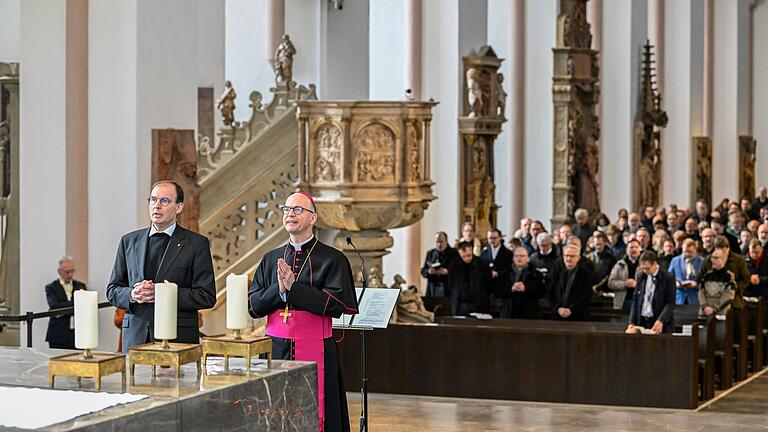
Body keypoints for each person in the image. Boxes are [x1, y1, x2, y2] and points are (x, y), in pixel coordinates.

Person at [248, 192, 358, 432]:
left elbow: (338, 304)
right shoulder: (270, 259)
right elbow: (253, 306)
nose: (290, 214)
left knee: (320, 413)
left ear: (313, 218)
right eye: (287, 209)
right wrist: (279, 289)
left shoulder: (333, 259)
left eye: (298, 210)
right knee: (273, 411)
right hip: (275, 348)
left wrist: (295, 289)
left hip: (316, 346)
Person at [106, 181, 216, 351]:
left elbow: (206, 295)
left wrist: (163, 293)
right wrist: (132, 294)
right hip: (136, 337)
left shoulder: (196, 244)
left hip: (177, 337)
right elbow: (112, 290)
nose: (157, 206)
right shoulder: (128, 241)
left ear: (178, 207)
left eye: (164, 201)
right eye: (153, 200)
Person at [627, 251, 676, 334]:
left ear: (655, 264)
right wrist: (631, 322)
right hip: (642, 321)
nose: (645, 271)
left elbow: (670, 303)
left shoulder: (668, 277)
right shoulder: (641, 276)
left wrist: (661, 320)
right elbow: (635, 300)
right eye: (643, 268)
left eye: (648, 268)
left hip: (659, 320)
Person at [45, 256, 87, 349]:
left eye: (72, 271)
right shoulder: (51, 287)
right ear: (59, 271)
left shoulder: (80, 285)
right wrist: (74, 304)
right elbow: (55, 307)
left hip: (77, 333)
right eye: (67, 272)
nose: (70, 274)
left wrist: (64, 310)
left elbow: (83, 307)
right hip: (58, 334)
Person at [698, 236, 750, 312]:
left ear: (728, 248)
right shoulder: (708, 260)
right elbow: (700, 277)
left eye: (723, 249)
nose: (720, 252)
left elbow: (745, 279)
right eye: (717, 249)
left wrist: (733, 289)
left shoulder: (738, 260)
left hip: (733, 299)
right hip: (710, 298)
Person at [493, 247, 546, 319]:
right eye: (516, 256)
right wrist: (511, 288)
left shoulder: (536, 274)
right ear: (513, 258)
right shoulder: (505, 273)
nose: (519, 258)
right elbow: (497, 291)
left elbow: (542, 291)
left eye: (522, 256)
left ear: (528, 258)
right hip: (509, 312)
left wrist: (526, 288)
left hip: (530, 313)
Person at [549, 244, 593, 321]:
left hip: (578, 316)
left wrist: (571, 309)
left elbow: (586, 296)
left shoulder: (585, 273)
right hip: (557, 315)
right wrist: (558, 308)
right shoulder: (556, 271)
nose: (569, 259)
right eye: (567, 256)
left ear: (578, 258)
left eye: (572, 256)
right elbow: (550, 293)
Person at [449, 241, 492, 316]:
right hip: (459, 304)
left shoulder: (483, 264)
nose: (467, 258)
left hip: (479, 304)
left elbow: (488, 284)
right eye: (463, 256)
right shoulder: (454, 265)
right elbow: (451, 284)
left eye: (469, 255)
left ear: (471, 250)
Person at [697, 247, 737, 317]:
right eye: (712, 257)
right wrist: (704, 306)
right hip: (704, 313)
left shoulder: (729, 276)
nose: (712, 260)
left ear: (724, 259)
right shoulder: (707, 275)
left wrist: (715, 308)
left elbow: (729, 295)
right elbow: (701, 291)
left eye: (716, 258)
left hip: (721, 313)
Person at [420, 231, 459, 297]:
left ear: (446, 241)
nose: (439, 244)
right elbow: (423, 271)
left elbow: (459, 271)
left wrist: (448, 272)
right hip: (433, 288)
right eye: (437, 242)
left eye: (441, 242)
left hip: (448, 288)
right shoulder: (431, 253)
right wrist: (429, 271)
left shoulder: (454, 253)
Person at [607, 239, 642, 310]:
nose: (634, 249)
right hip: (622, 302)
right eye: (631, 247)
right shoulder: (619, 264)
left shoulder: (644, 265)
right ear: (627, 250)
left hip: (640, 302)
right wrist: (624, 284)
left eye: (636, 247)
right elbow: (611, 283)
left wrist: (637, 284)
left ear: (640, 249)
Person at [668, 239, 704, 305]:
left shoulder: (702, 262)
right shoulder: (675, 261)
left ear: (695, 250)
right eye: (685, 252)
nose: (687, 254)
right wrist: (676, 284)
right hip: (679, 299)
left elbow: (706, 281)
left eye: (690, 252)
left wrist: (696, 284)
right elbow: (668, 278)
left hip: (695, 299)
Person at [480, 228, 513, 295]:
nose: (492, 240)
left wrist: (497, 273)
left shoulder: (508, 253)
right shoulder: (483, 252)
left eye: (495, 238)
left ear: (500, 238)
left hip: (502, 288)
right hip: (487, 289)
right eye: (490, 238)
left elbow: (510, 270)